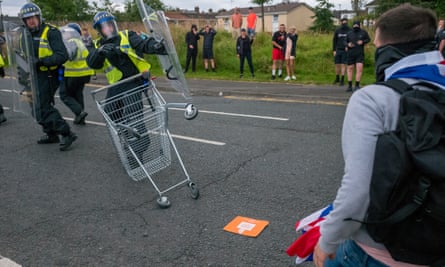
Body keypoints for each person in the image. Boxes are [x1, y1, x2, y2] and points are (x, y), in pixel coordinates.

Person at [314, 4, 439, 267]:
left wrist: (327, 241)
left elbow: (358, 190)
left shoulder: (373, 99)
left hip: (382, 250)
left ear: (386, 48)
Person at [86, 11, 166, 164]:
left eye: (110, 24)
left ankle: (137, 152)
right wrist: (100, 53)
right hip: (116, 86)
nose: (108, 28)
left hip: (133, 82)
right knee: (111, 113)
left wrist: (155, 45)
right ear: (99, 30)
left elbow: (143, 43)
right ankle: (128, 138)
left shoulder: (127, 35)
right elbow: (92, 63)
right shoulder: (98, 45)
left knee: (133, 116)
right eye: (104, 27)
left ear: (114, 24)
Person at [18, 2, 77, 151]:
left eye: (34, 17)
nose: (31, 20)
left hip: (48, 74)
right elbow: (21, 56)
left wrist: (41, 62)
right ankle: (51, 133)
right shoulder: (23, 35)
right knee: (33, 106)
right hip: (31, 75)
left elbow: (62, 55)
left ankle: (67, 133)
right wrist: (21, 72)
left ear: (39, 17)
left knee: (42, 106)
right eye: (28, 18)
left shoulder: (51, 32)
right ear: (24, 21)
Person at [59, 23, 95, 125]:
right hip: (85, 74)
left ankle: (80, 112)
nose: (65, 34)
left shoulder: (70, 42)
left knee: (64, 95)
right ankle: (80, 118)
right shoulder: (80, 42)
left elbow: (68, 56)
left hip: (73, 73)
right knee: (78, 94)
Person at [345, 20, 370, 91]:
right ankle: (349, 86)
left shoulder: (363, 32)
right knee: (350, 68)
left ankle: (357, 85)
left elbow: (368, 39)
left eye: (357, 25)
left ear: (359, 25)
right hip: (350, 53)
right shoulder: (349, 33)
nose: (356, 27)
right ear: (352, 26)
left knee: (359, 69)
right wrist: (348, 44)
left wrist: (363, 42)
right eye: (354, 25)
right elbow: (345, 41)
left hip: (359, 53)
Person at [332, 18, 350, 86]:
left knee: (343, 65)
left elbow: (351, 39)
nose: (344, 23)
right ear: (341, 22)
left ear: (347, 22)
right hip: (338, 49)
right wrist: (334, 50)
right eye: (343, 22)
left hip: (345, 50)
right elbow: (334, 40)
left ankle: (342, 79)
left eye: (345, 22)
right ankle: (337, 78)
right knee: (337, 64)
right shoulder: (337, 30)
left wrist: (348, 47)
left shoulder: (349, 30)